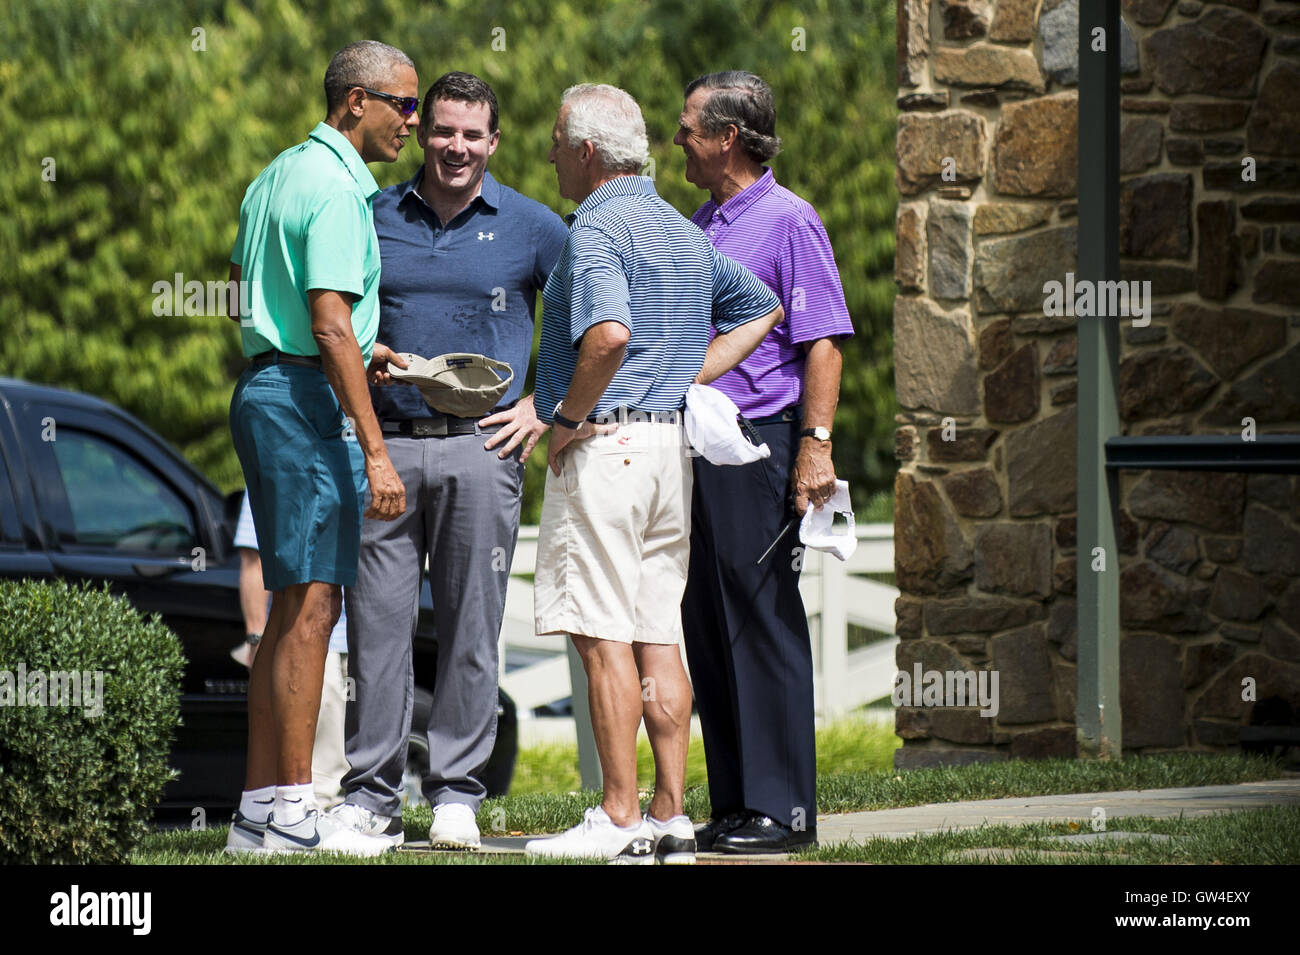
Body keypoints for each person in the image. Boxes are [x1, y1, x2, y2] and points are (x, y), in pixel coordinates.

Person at [524, 84, 783, 864]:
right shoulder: (680, 226)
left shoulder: (599, 224)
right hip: (670, 452)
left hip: (608, 448)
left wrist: (564, 422)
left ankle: (617, 814)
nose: (550, 156)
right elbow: (762, 306)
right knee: (656, 632)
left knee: (601, 635)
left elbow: (606, 335)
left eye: (558, 141)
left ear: (588, 152)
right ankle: (669, 813)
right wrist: (687, 375)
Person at [327, 71, 568, 851]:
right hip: (386, 451)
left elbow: (592, 316)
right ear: (422, 130)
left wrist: (545, 405)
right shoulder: (371, 217)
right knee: (378, 630)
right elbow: (333, 315)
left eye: (472, 134)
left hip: (482, 450)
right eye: (442, 130)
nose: (455, 147)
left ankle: (457, 792)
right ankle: (370, 797)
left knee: (472, 627)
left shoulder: (533, 227)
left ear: (494, 142)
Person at [223, 40, 414, 856]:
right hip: (305, 401)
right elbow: (330, 318)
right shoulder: (338, 190)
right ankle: (297, 808)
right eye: (401, 104)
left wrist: (351, 344)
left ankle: (259, 809)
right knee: (311, 609)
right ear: (355, 103)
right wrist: (376, 449)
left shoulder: (274, 174)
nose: (411, 120)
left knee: (286, 610)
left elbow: (247, 285)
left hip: (266, 388)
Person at [673, 71, 853, 854]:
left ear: (727, 137)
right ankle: (741, 804)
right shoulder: (699, 221)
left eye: (688, 126)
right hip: (699, 444)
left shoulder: (789, 220)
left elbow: (824, 341)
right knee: (706, 621)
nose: (677, 137)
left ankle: (787, 812)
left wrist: (816, 445)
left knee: (760, 619)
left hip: (762, 441)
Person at [230, 491, 349, 810]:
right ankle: (306, 815)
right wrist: (256, 636)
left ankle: (314, 810)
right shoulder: (276, 463)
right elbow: (253, 562)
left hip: (357, 637)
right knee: (321, 757)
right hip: (313, 640)